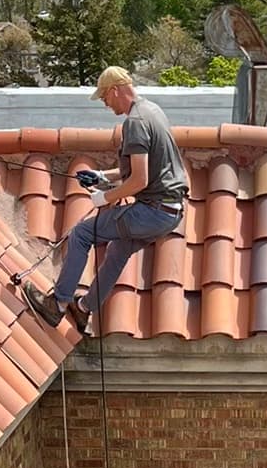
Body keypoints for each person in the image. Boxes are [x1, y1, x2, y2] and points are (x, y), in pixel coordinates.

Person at [18, 67, 188, 331]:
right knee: (118, 250)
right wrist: (101, 176)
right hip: (170, 213)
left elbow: (139, 181)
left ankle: (58, 304)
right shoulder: (152, 111)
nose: (106, 105)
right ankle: (84, 307)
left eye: (105, 98)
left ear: (115, 90)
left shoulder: (135, 123)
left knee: (82, 235)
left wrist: (104, 198)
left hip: (152, 212)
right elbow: (136, 170)